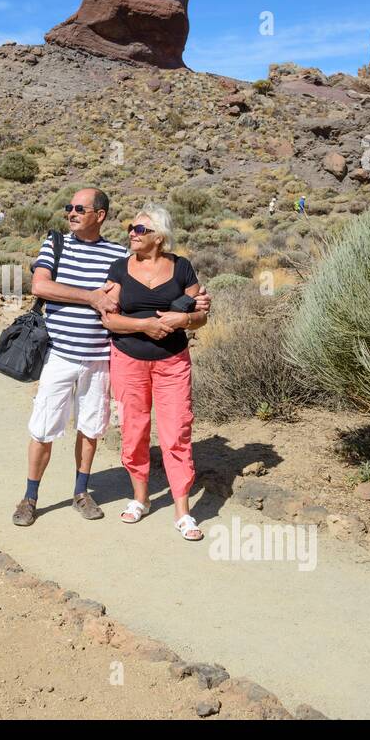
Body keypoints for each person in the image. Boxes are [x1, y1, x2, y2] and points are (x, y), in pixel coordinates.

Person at [13, 188, 124, 527]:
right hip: (59, 355)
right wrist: (91, 297)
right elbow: (41, 287)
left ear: (100, 215)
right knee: (43, 427)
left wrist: (194, 298)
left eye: (80, 208)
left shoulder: (118, 255)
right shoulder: (56, 244)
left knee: (90, 427)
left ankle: (81, 491)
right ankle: (30, 497)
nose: (71, 213)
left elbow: (121, 297)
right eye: (69, 207)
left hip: (99, 358)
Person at [100, 204, 211, 541]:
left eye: (140, 230)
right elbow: (108, 317)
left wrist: (184, 320)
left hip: (172, 361)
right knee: (133, 429)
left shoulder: (182, 268)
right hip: (128, 359)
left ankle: (182, 511)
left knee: (176, 431)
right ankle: (140, 498)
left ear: (159, 237)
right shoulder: (119, 268)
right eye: (131, 228)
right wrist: (144, 326)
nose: (132, 233)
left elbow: (201, 314)